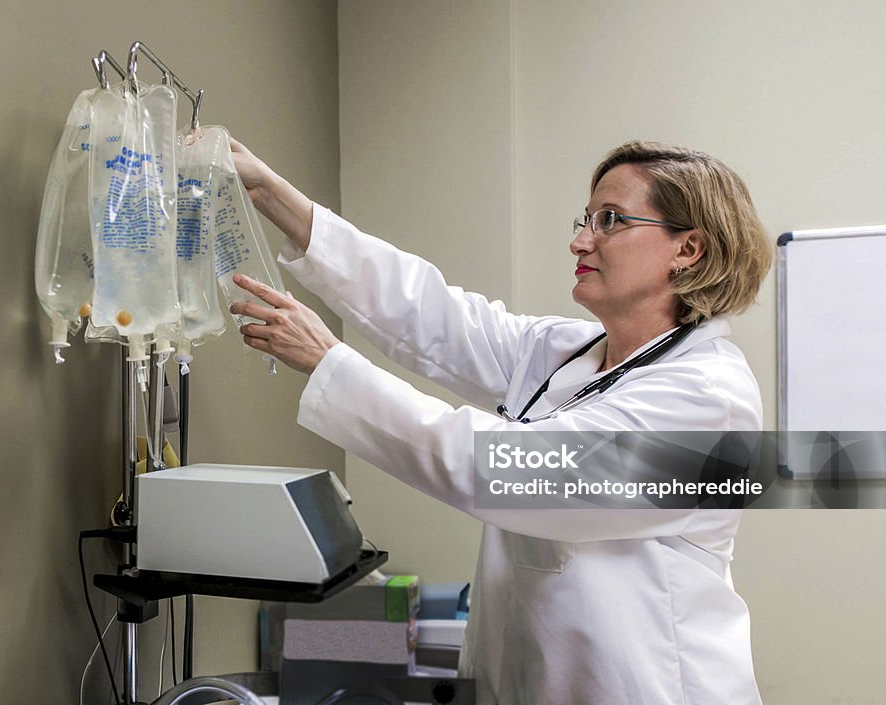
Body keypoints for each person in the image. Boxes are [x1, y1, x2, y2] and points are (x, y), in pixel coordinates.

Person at [227, 139, 773, 705]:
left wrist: (329, 362)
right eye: (587, 219)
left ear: (688, 248)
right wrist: (265, 188)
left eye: (609, 220)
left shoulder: (708, 399)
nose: (580, 240)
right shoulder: (568, 353)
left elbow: (504, 469)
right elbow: (429, 312)